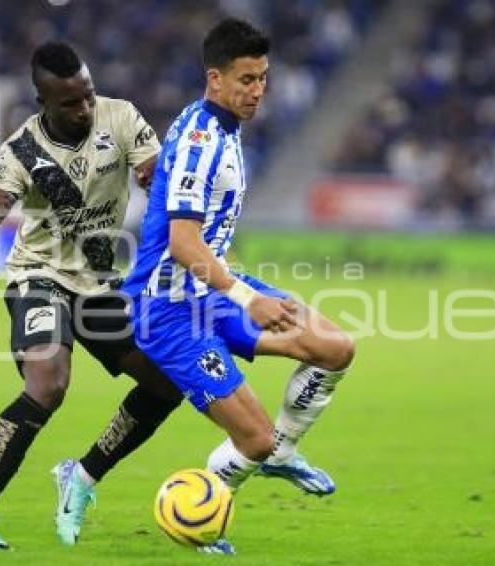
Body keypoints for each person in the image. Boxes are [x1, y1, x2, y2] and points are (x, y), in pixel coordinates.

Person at [122, 18, 356, 554]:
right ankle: (198, 518)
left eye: (263, 79)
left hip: (208, 287)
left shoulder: (217, 124)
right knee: (252, 437)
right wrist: (250, 299)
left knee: (335, 348)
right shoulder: (204, 139)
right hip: (169, 309)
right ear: (215, 79)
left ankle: (283, 454)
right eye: (246, 80)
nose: (257, 91)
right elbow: (183, 244)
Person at [0, 41, 184, 551]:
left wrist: (153, 178)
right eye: (71, 102)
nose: (85, 109)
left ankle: (83, 474)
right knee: (49, 383)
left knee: (167, 383)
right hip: (39, 276)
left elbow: (155, 172)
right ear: (43, 101)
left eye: (88, 95)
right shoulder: (20, 151)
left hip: (98, 285)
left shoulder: (119, 118)